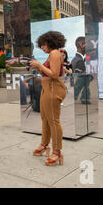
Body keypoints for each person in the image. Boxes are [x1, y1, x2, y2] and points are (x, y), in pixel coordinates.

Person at [29, 31, 67, 166]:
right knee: (45, 118)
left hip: (53, 89)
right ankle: (44, 144)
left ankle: (57, 151)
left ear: (49, 42)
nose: (42, 48)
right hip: (48, 89)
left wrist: (39, 66)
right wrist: (39, 67)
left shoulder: (54, 53)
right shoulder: (53, 54)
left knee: (53, 121)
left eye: (43, 45)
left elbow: (55, 74)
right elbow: (47, 73)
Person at [71, 37, 92, 104]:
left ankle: (84, 98)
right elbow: (79, 82)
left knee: (85, 84)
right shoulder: (79, 61)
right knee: (81, 83)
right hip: (82, 77)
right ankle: (81, 98)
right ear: (82, 45)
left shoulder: (76, 59)